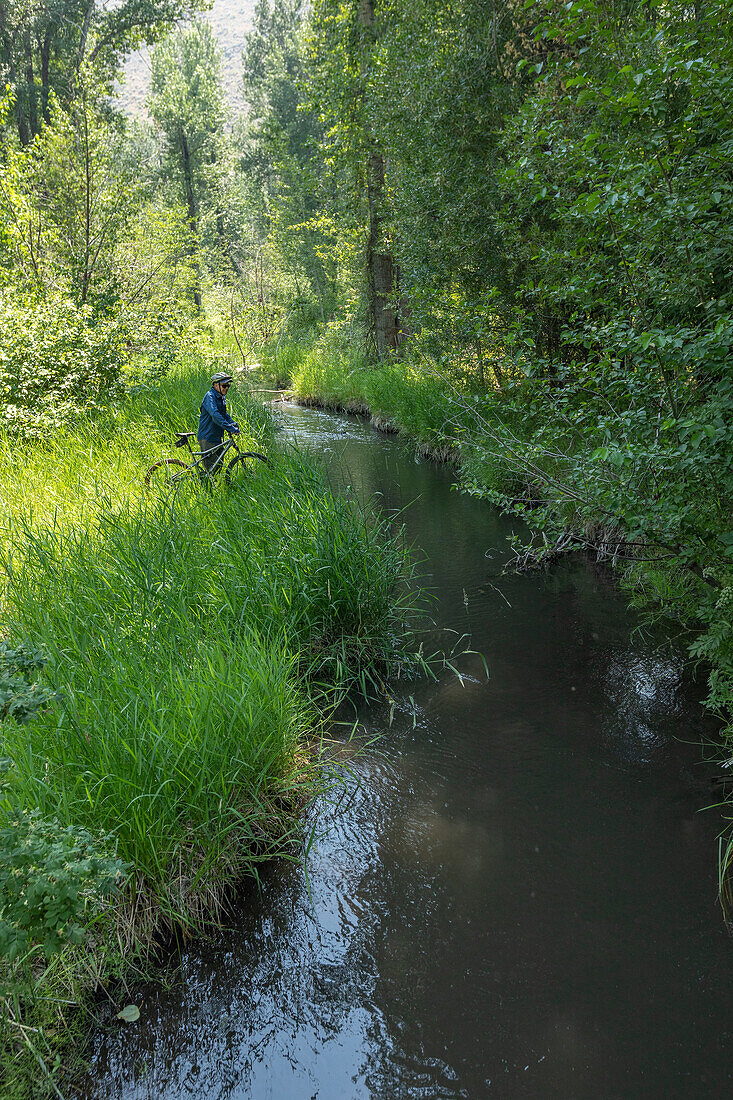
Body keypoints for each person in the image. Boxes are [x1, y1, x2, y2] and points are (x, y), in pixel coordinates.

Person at [197, 372, 240, 473]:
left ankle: (210, 486)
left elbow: (224, 414)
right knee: (211, 471)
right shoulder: (210, 397)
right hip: (208, 436)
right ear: (216, 385)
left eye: (228, 386)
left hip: (216, 436)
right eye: (224, 386)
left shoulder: (221, 397)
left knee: (218, 466)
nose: (227, 388)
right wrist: (230, 428)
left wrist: (233, 423)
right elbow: (215, 415)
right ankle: (205, 487)